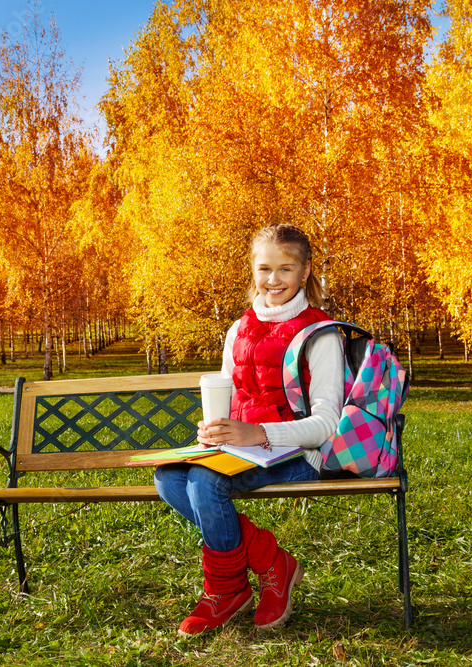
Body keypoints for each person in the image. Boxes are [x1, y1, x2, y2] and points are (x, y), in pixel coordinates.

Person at [154, 222, 344, 636]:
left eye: (285, 269)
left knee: (205, 481)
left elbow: (327, 424)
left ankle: (225, 590)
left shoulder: (321, 333)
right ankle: (270, 560)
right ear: (252, 271)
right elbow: (231, 397)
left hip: (302, 454)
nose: (272, 280)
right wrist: (217, 430)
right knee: (169, 477)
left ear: (306, 271)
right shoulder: (238, 329)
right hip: (244, 450)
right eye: (264, 269)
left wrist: (257, 433)